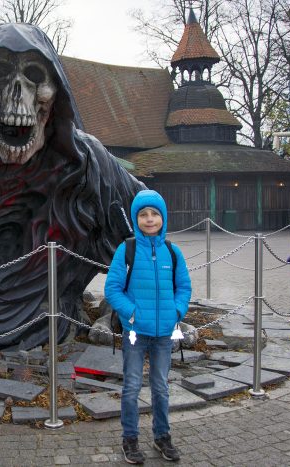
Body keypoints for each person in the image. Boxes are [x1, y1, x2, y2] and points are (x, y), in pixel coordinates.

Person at [104, 190, 192, 464]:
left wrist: (176, 311)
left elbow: (184, 287)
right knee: (131, 386)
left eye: (154, 214)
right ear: (136, 218)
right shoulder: (126, 250)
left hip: (163, 334)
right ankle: (130, 439)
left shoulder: (172, 252)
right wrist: (131, 314)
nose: (149, 219)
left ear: (162, 218)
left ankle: (162, 436)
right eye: (143, 214)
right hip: (134, 333)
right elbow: (112, 289)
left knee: (160, 387)